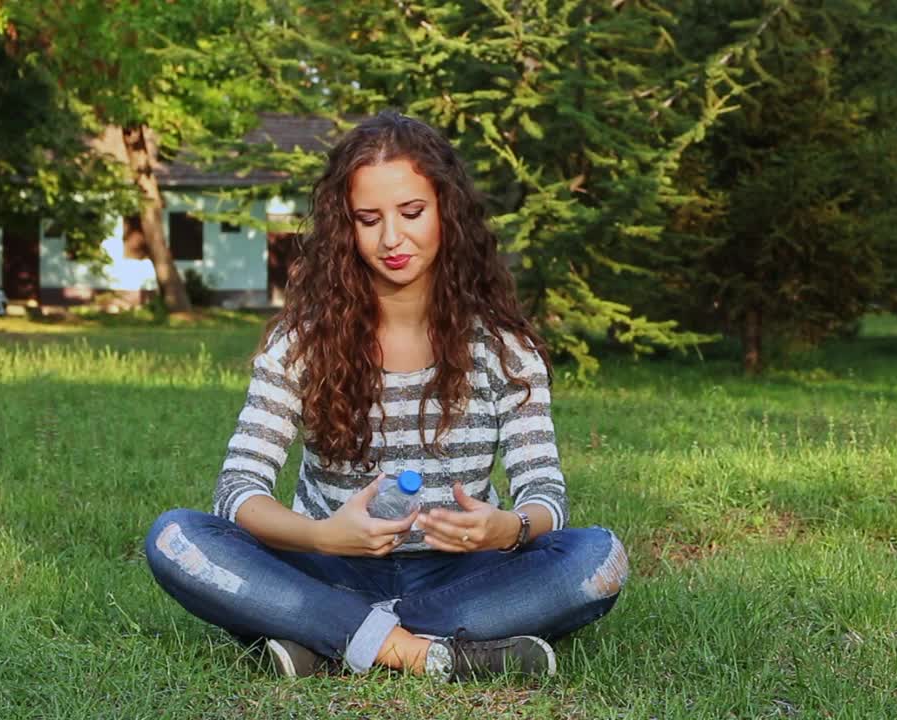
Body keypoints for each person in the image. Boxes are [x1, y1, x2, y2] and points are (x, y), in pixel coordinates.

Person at [144, 111, 629, 681]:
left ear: (447, 212)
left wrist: (511, 529)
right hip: (326, 566)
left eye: (412, 213)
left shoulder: (504, 349)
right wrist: (323, 534)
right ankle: (422, 653)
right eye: (368, 219)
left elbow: (544, 491)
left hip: (461, 576)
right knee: (176, 538)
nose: (391, 239)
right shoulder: (299, 343)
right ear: (344, 228)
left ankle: (331, 638)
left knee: (598, 557)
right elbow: (237, 491)